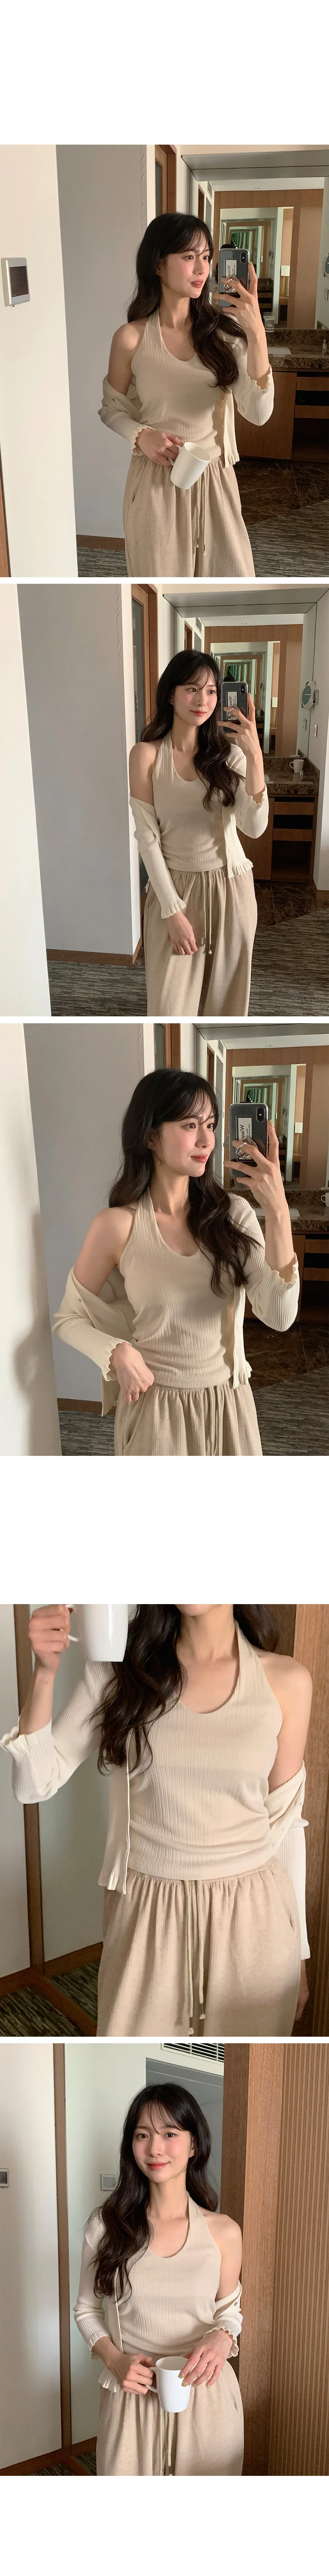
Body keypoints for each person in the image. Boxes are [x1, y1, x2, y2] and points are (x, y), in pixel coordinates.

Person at [1, 1601, 311, 2038]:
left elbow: (286, 1825)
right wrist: (45, 1672)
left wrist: (299, 1954)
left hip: (256, 1922)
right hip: (147, 1918)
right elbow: (32, 1785)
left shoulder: (287, 1680)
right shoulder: (119, 1670)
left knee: (238, 2056)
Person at [52, 1068, 299, 1458]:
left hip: (229, 1404)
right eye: (190, 1125)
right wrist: (116, 1352)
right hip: (156, 1411)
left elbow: (280, 1317)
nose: (207, 1140)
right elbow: (68, 1319)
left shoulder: (234, 1215)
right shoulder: (117, 1226)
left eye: (211, 1125)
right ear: (151, 1136)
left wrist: (278, 1211)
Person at [74, 2082, 244, 2477]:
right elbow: (86, 2310)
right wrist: (114, 2360)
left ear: (194, 2144)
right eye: (142, 2135)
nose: (155, 2148)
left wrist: (224, 2337)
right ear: (130, 2145)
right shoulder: (106, 2226)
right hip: (131, 2395)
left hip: (207, 2396)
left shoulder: (224, 2231)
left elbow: (229, 2310)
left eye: (170, 2133)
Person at [99, 212, 274, 577]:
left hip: (216, 480)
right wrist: (141, 436)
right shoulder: (131, 338)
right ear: (158, 265)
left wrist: (256, 333)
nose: (202, 269)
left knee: (233, 580)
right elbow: (112, 409)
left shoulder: (225, 336)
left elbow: (259, 414)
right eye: (189, 256)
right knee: (161, 584)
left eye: (207, 257)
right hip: (156, 481)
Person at [129, 651, 267, 1016]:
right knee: (169, 1006)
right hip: (174, 890)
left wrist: (255, 757)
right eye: (192, 689)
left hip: (232, 889)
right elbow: (147, 839)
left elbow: (254, 827)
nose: (203, 700)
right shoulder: (146, 756)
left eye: (211, 691)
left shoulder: (231, 757)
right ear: (171, 695)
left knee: (226, 1005)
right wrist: (173, 912)